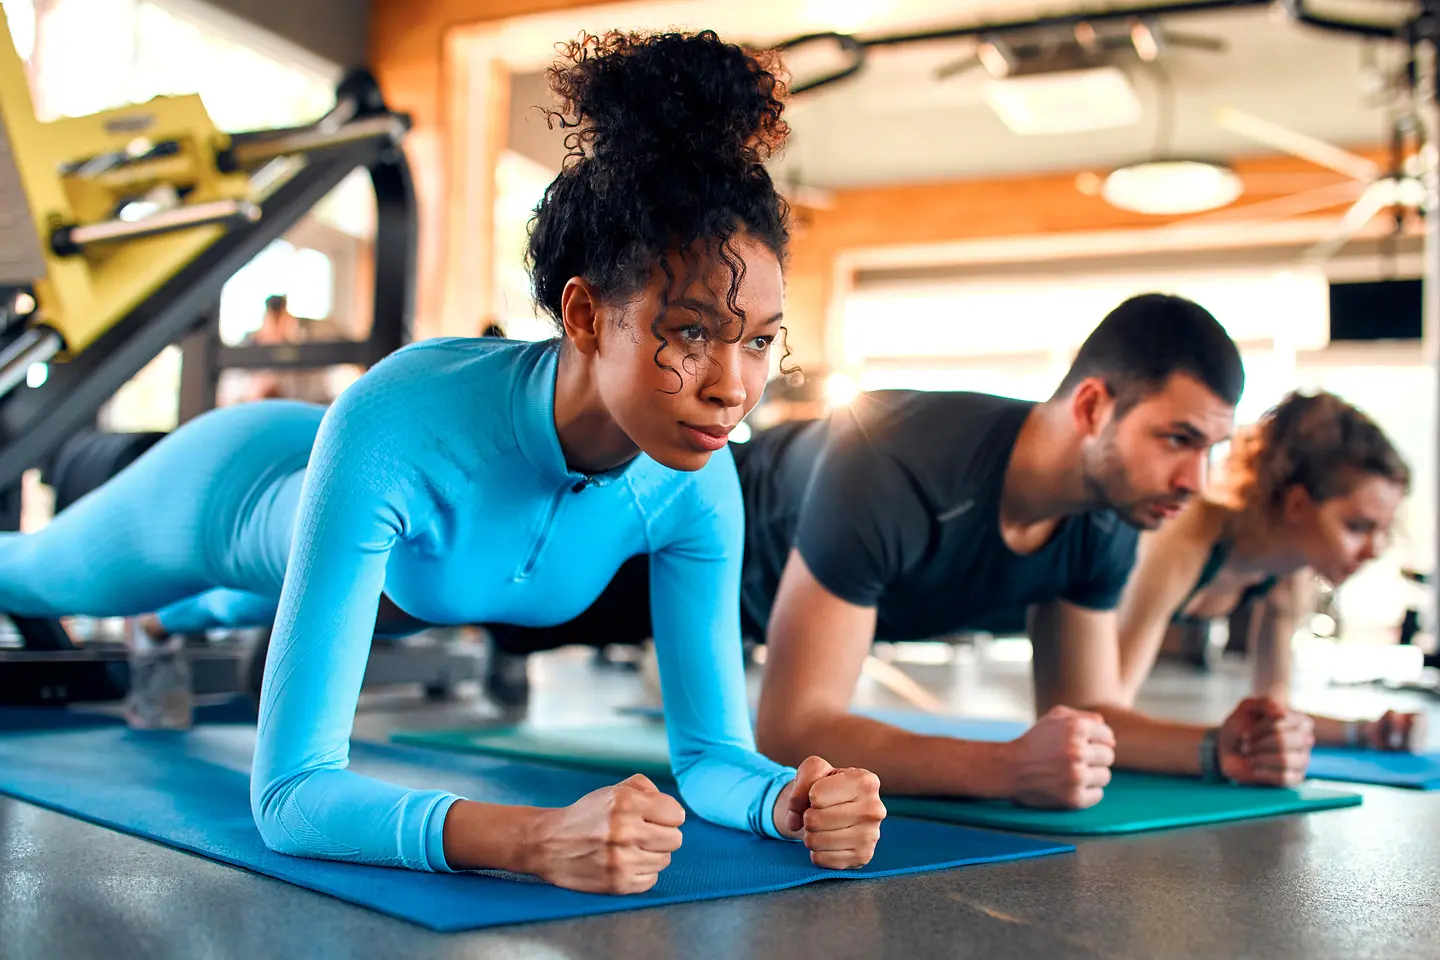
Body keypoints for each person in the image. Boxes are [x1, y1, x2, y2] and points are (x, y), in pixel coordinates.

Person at [0, 31, 886, 892]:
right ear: (582, 316)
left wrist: (786, 799)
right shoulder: (402, 422)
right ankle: (154, 612)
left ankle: (169, 627)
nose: (734, 388)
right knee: (32, 575)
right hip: (230, 489)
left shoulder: (696, 485)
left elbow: (710, 759)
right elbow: (290, 796)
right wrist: (531, 837)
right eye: (692, 333)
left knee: (270, 604)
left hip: (385, 571)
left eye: (761, 342)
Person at [489, 293, 1314, 808]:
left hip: (744, 606)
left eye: (1210, 448)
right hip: (669, 537)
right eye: (1177, 439)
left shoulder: (1105, 519)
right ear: (1093, 406)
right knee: (468, 598)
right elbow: (792, 728)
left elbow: (1087, 710)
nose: (1194, 478)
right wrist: (1002, 770)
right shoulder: (899, 458)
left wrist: (1216, 748)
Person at [1108, 389, 1420, 760]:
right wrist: (1222, 750)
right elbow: (1108, 716)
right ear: (1298, 504)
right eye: (1356, 526)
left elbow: (1273, 714)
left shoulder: (1288, 573)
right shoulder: (1187, 541)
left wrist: (1364, 731)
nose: (1373, 550)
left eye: (1382, 531)